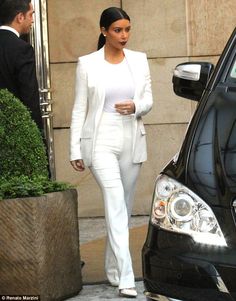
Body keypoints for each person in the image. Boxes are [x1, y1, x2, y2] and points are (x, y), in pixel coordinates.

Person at [70, 7, 153, 298]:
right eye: (118, 30)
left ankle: (112, 269)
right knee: (116, 203)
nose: (124, 35)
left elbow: (149, 100)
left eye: (128, 29)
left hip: (131, 139)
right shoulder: (87, 63)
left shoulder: (140, 60)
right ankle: (126, 278)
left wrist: (135, 106)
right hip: (100, 140)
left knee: (122, 210)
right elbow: (80, 108)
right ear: (104, 30)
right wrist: (74, 148)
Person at [0, 0, 43, 130]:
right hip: (14, 130)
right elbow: (29, 96)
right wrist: (38, 136)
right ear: (20, 17)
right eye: (31, 15)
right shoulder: (22, 49)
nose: (32, 20)